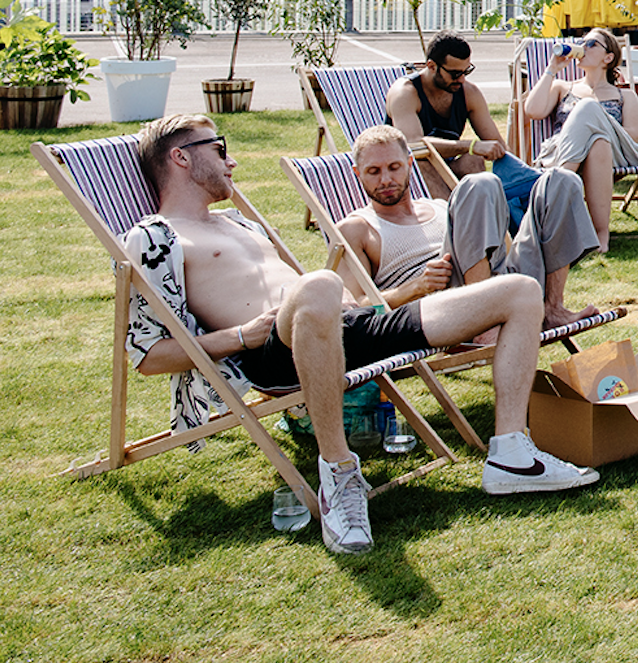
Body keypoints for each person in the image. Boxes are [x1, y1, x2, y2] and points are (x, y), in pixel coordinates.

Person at [126, 113, 598, 556]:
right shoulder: (155, 238)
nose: (232, 160)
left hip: (345, 324)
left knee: (517, 291)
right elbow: (149, 355)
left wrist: (352, 303)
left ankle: (511, 454)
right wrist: (241, 337)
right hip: (274, 350)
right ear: (181, 157)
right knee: (320, 281)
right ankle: (339, 474)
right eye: (220, 147)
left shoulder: (237, 222)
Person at [337, 125, 601, 332]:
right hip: (448, 305)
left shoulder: (440, 207)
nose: (385, 179)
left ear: (409, 164)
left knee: (562, 181)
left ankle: (553, 308)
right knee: (480, 183)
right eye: (373, 171)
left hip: (505, 283)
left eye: (394, 167)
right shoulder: (357, 228)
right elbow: (354, 307)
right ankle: (484, 322)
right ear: (357, 173)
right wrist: (417, 286)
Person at [516, 27, 638, 250]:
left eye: (591, 44)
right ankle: (600, 234)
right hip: (561, 152)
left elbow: (632, 138)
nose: (583, 47)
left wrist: (594, 121)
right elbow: (533, 110)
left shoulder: (625, 96)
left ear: (608, 58)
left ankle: (551, 199)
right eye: (582, 43)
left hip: (613, 156)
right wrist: (552, 69)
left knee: (594, 124)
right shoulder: (563, 87)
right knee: (597, 139)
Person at [387, 32, 505, 178]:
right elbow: (414, 146)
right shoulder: (405, 93)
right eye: (455, 74)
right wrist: (471, 146)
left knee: (473, 160)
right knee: (423, 164)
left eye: (466, 71)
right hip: (408, 173)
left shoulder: (469, 93)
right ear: (431, 66)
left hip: (446, 168)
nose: (461, 79)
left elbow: (498, 145)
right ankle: (451, 202)